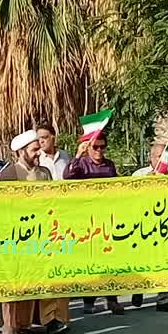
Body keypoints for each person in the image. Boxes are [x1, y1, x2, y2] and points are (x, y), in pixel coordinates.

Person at [0, 130, 71, 334]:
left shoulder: (45, 173)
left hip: (44, 233)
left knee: (49, 275)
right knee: (21, 279)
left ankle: (52, 319)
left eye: (39, 148)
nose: (39, 153)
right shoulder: (10, 174)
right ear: (21, 152)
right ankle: (17, 322)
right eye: (34, 150)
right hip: (20, 235)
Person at [65, 133, 125, 316]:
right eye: (95, 147)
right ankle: (89, 300)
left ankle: (112, 299)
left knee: (110, 261)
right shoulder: (81, 164)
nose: (99, 150)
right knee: (90, 261)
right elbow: (67, 176)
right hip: (87, 221)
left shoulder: (109, 165)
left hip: (106, 219)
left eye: (102, 147)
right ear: (88, 148)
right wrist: (78, 155)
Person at [130, 143, 168, 312]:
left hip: (166, 225)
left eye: (164, 156)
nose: (161, 160)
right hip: (143, 226)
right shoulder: (139, 174)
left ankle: (163, 300)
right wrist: (147, 182)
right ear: (151, 158)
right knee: (142, 260)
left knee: (165, 261)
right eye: (158, 156)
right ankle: (138, 289)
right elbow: (130, 197)